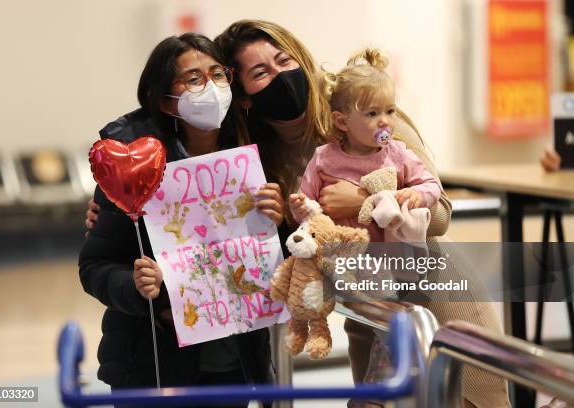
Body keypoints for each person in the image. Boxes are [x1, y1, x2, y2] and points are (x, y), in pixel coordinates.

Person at [87, 19, 510, 407]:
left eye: (283, 60)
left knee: (471, 397)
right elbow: (276, 249)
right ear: (246, 98)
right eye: (259, 73)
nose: (279, 76)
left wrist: (363, 200)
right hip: (362, 308)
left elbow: (439, 215)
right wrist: (118, 212)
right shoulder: (252, 157)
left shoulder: (369, 116)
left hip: (429, 290)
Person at [79, 33, 283, 408]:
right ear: (165, 101)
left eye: (218, 74)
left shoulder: (249, 156)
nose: (211, 87)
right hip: (151, 366)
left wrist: (278, 220)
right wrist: (138, 289)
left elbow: (272, 257)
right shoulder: (132, 168)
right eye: (193, 78)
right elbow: (95, 265)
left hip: (232, 363)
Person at [289, 48, 441, 243]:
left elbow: (432, 186)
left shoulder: (398, 153)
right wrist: (300, 209)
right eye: (372, 113)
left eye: (390, 110)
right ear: (342, 122)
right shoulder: (323, 158)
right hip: (340, 257)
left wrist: (417, 194)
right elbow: (309, 208)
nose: (384, 121)